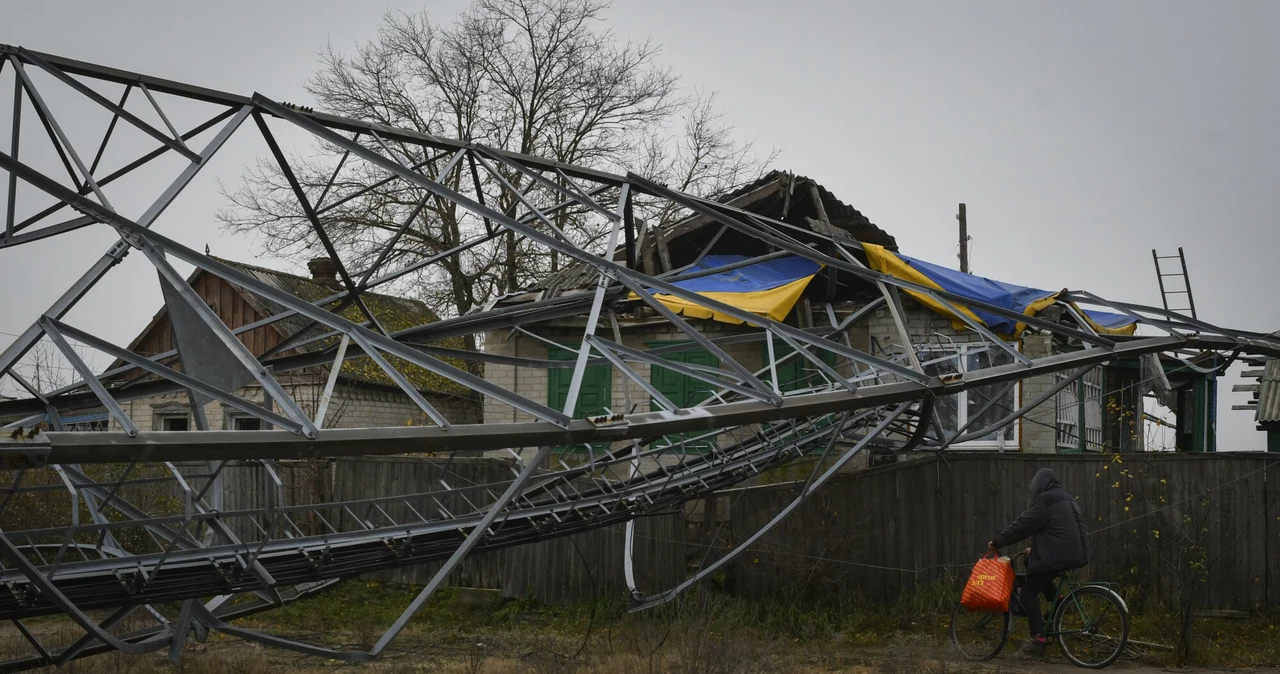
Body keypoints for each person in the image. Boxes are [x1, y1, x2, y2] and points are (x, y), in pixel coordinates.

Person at [988, 468, 1089, 658]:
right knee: (1030, 561)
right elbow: (1058, 531)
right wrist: (1035, 550)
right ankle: (1058, 602)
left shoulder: (1045, 501)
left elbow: (1023, 525)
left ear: (1040, 485)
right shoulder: (1066, 499)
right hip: (1076, 552)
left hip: (1058, 555)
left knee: (1028, 591)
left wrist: (998, 541)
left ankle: (1038, 641)